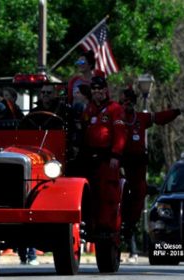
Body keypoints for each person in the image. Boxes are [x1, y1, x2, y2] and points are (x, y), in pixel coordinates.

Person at [119, 86, 184, 263]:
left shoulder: (141, 119)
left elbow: (159, 118)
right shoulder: (113, 118)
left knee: (139, 191)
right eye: (123, 101)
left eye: (130, 101)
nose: (127, 104)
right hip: (116, 165)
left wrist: (177, 111)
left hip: (137, 168)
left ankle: (129, 225)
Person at [80, 70, 127, 239]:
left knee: (108, 194)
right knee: (90, 193)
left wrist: (116, 155)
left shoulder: (115, 109)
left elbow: (120, 134)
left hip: (107, 158)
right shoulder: (89, 108)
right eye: (94, 90)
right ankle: (91, 226)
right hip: (90, 158)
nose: (97, 92)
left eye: (100, 89)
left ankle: (107, 228)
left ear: (106, 90)